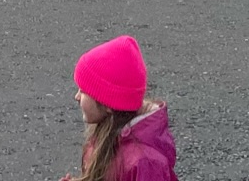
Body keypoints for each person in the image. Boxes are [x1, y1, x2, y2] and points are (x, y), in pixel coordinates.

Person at [61, 35, 178, 181]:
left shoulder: (145, 163)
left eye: (83, 91)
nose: (76, 97)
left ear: (107, 104)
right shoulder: (109, 131)